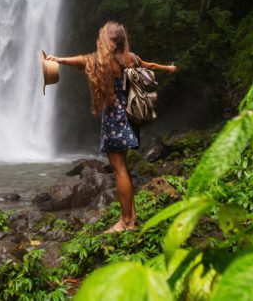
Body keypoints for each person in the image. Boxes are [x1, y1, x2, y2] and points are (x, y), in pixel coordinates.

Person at [45, 21, 177, 233]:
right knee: (123, 169)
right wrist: (167, 68)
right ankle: (132, 218)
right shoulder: (131, 58)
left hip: (115, 118)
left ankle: (126, 222)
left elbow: (81, 60)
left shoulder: (102, 61)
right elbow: (149, 65)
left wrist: (58, 59)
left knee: (120, 170)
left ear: (107, 39)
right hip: (130, 115)